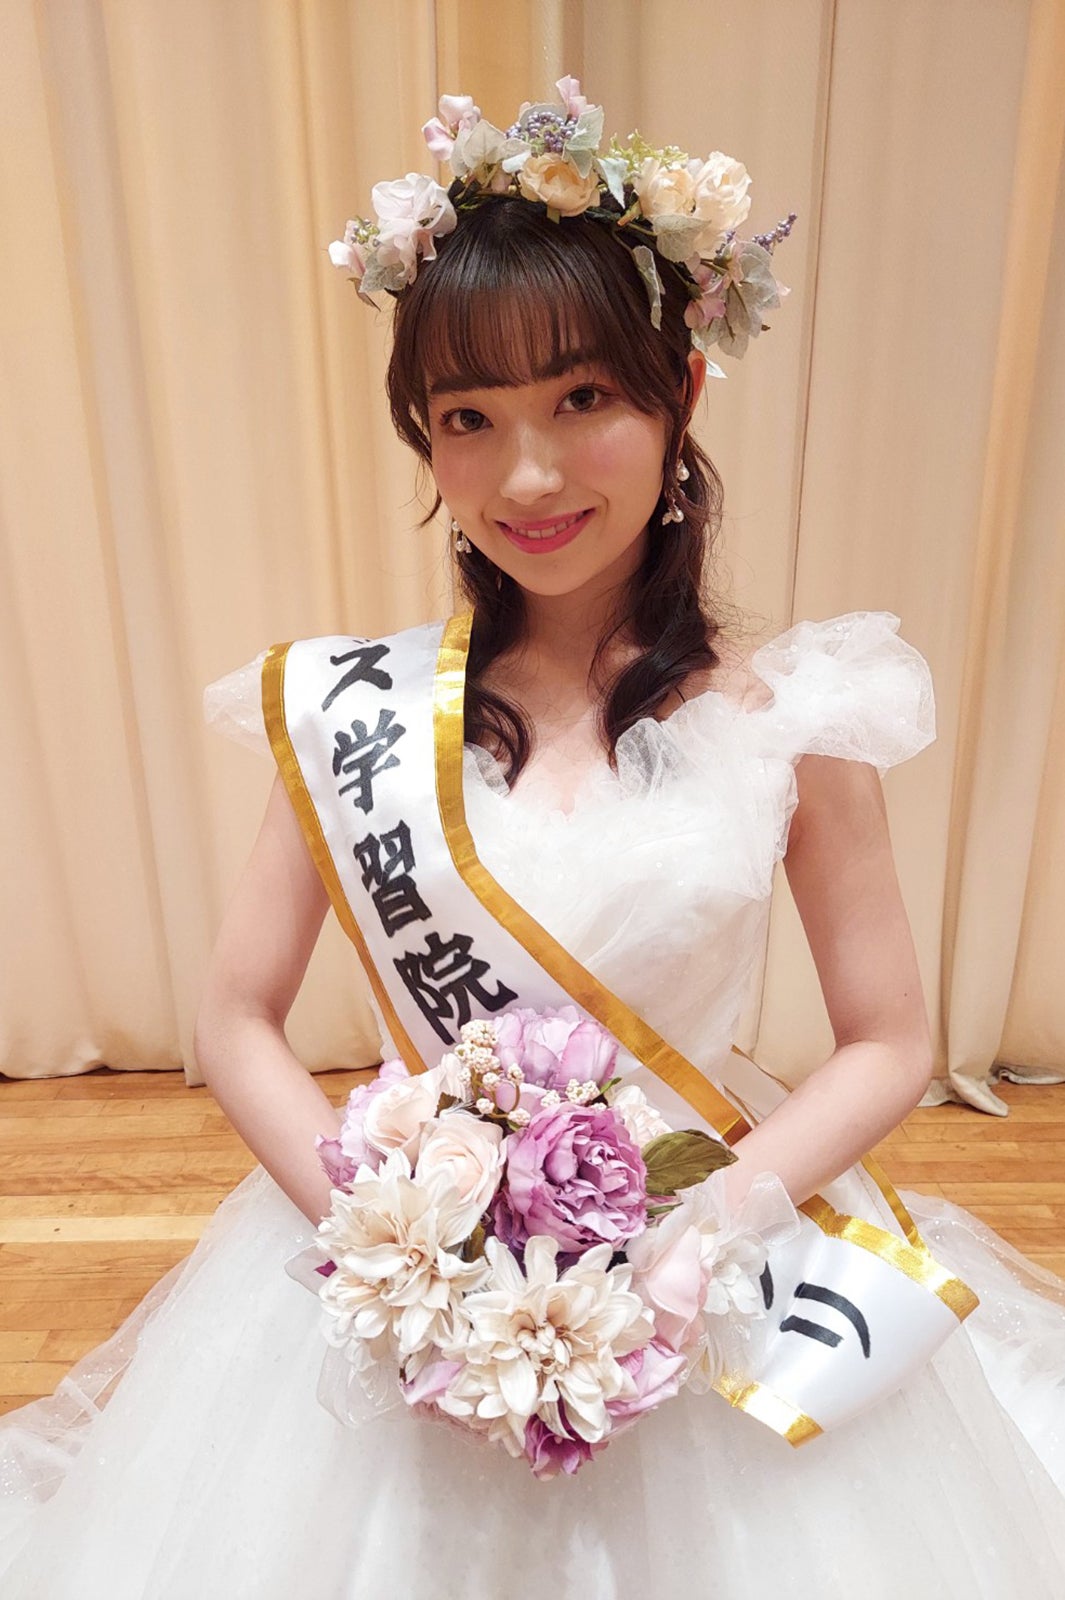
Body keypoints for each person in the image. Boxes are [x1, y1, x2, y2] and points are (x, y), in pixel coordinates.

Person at [2, 76, 1064, 1600]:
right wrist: (392, 1248)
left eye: (582, 400)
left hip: (703, 1260)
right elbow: (233, 1015)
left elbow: (889, 1040)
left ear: (677, 390)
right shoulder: (352, 710)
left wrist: (699, 1246)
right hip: (395, 1275)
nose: (530, 476)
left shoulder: (796, 722)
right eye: (468, 421)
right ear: (424, 442)